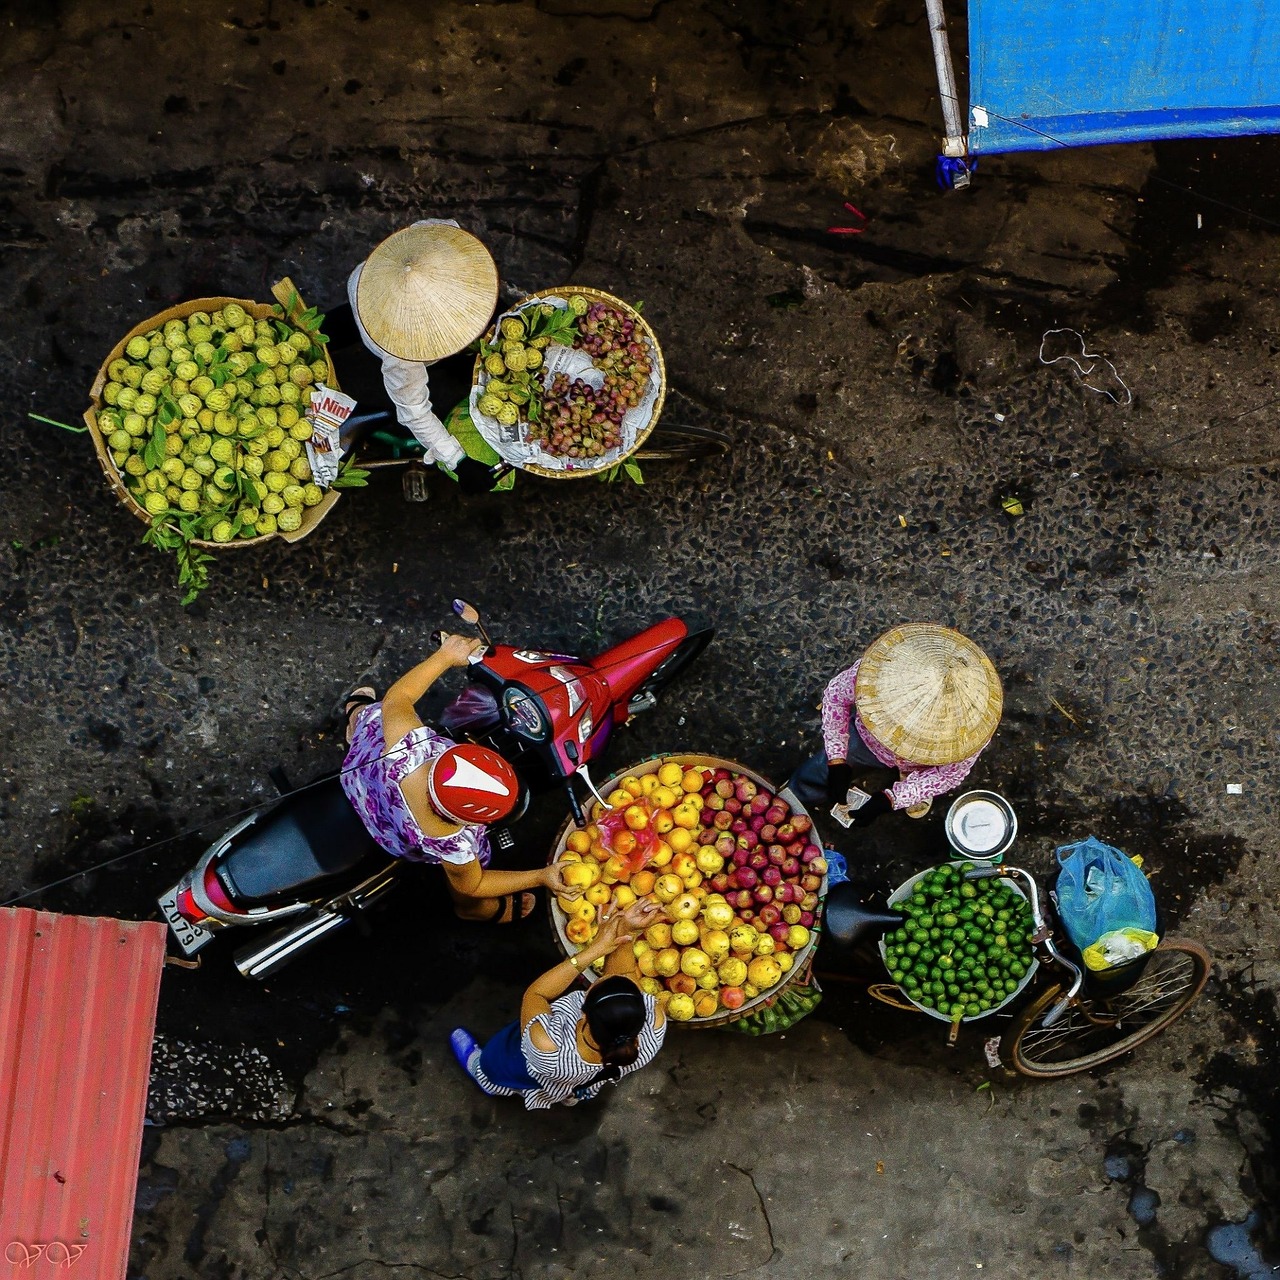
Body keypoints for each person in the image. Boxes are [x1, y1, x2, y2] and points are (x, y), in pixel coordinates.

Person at [340, 633, 577, 923]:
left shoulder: (409, 749)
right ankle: (475, 912)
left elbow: (397, 699)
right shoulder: (455, 843)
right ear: (466, 821)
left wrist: (445, 657)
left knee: (372, 718)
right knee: (467, 892)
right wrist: (541, 876)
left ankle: (354, 715)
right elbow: (474, 884)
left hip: (363, 778)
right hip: (395, 836)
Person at [449, 898, 667, 1107]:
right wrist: (626, 931)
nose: (606, 975)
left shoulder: (548, 1046)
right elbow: (625, 971)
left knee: (497, 1065)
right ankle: (572, 1094)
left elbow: (536, 995)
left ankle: (481, 1072)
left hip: (539, 1068)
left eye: (599, 982)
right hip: (580, 1075)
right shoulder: (654, 1025)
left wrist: (592, 951)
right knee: (575, 1085)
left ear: (583, 1014)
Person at [788, 623, 1003, 825]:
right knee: (820, 770)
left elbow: (947, 774)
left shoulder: (974, 728)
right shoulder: (877, 673)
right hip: (867, 741)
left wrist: (892, 799)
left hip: (922, 762)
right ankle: (795, 798)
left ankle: (912, 782)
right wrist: (836, 759)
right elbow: (836, 697)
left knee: (923, 782)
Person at [345, 219, 500, 495]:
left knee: (345, 318)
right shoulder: (402, 354)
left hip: (369, 278)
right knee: (348, 325)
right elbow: (414, 412)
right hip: (370, 302)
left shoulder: (440, 235)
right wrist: (458, 461)